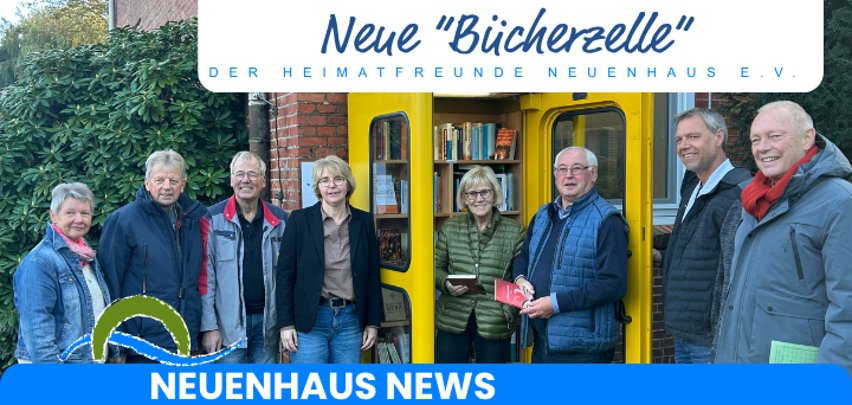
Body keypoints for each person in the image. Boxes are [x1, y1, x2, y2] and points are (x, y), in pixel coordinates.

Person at [715, 101, 852, 371]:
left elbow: (847, 309)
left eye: (774, 136)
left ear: (807, 138)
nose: (762, 146)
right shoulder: (754, 203)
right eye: (756, 139)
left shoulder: (839, 201)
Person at [512, 146, 628, 363]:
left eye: (577, 169)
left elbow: (613, 284)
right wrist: (520, 279)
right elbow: (523, 256)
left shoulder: (607, 220)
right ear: (555, 175)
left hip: (583, 347)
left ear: (593, 174)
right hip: (542, 339)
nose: (568, 175)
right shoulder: (543, 214)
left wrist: (555, 304)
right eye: (562, 169)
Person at [98, 150, 209, 363]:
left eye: (173, 180)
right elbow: (109, 284)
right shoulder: (123, 221)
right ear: (147, 183)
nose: (167, 186)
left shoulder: (193, 221)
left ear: (183, 185)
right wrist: (116, 344)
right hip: (141, 343)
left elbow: (195, 281)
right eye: (160, 180)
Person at [663, 108, 752, 363]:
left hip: (713, 339)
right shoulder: (693, 187)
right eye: (679, 140)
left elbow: (738, 269)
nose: (684, 145)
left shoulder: (738, 193)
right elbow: (700, 251)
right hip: (683, 331)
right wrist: (662, 257)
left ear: (718, 137)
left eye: (693, 137)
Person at [275, 155, 382, 363]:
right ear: (318, 187)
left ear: (348, 184)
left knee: (344, 390)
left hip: (351, 320)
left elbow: (372, 275)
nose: (332, 186)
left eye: (338, 179)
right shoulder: (299, 220)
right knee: (309, 389)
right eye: (325, 181)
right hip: (311, 320)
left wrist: (372, 322)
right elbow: (284, 275)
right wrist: (286, 324)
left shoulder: (364, 221)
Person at [201, 151, 287, 363]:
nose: (246, 180)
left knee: (264, 390)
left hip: (269, 324)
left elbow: (288, 276)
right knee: (230, 391)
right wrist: (209, 326)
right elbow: (205, 278)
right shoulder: (212, 219)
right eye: (240, 174)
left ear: (263, 181)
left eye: (252, 174)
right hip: (227, 327)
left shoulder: (281, 220)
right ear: (231, 180)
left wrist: (286, 323)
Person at [434, 166, 526, 363]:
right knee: (449, 382)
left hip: (494, 320)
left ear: (494, 195)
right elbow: (435, 268)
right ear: (465, 199)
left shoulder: (515, 231)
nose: (479, 199)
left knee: (493, 384)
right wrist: (446, 284)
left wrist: (507, 313)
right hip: (453, 316)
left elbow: (520, 276)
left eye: (485, 192)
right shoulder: (450, 227)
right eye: (472, 194)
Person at [14, 183, 114, 363]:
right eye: (70, 213)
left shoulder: (87, 255)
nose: (79, 219)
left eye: (85, 213)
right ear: (54, 215)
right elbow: (37, 329)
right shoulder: (40, 262)